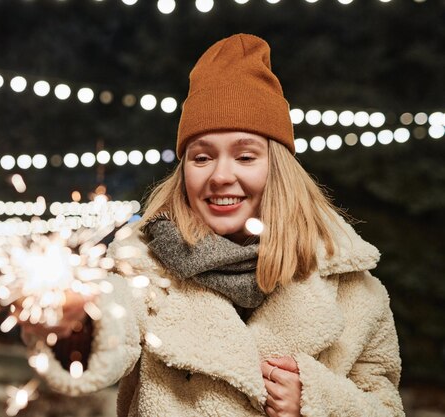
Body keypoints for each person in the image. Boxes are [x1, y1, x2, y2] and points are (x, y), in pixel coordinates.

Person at [21, 34, 404, 417]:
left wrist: (317, 399)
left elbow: (386, 406)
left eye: (245, 156)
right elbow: (109, 333)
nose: (221, 175)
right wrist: (73, 322)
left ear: (278, 168)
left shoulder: (354, 289)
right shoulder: (147, 273)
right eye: (202, 157)